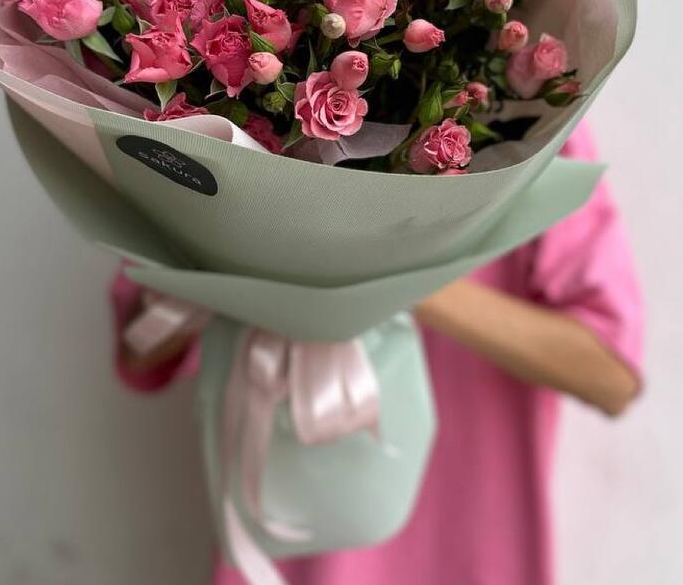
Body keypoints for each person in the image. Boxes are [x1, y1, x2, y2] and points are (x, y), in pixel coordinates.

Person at [111, 123, 644, 585]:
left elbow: (610, 374)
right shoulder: (238, 123)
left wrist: (383, 260)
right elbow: (140, 353)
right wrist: (236, 238)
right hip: (285, 549)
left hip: (465, 554)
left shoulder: (531, 132)